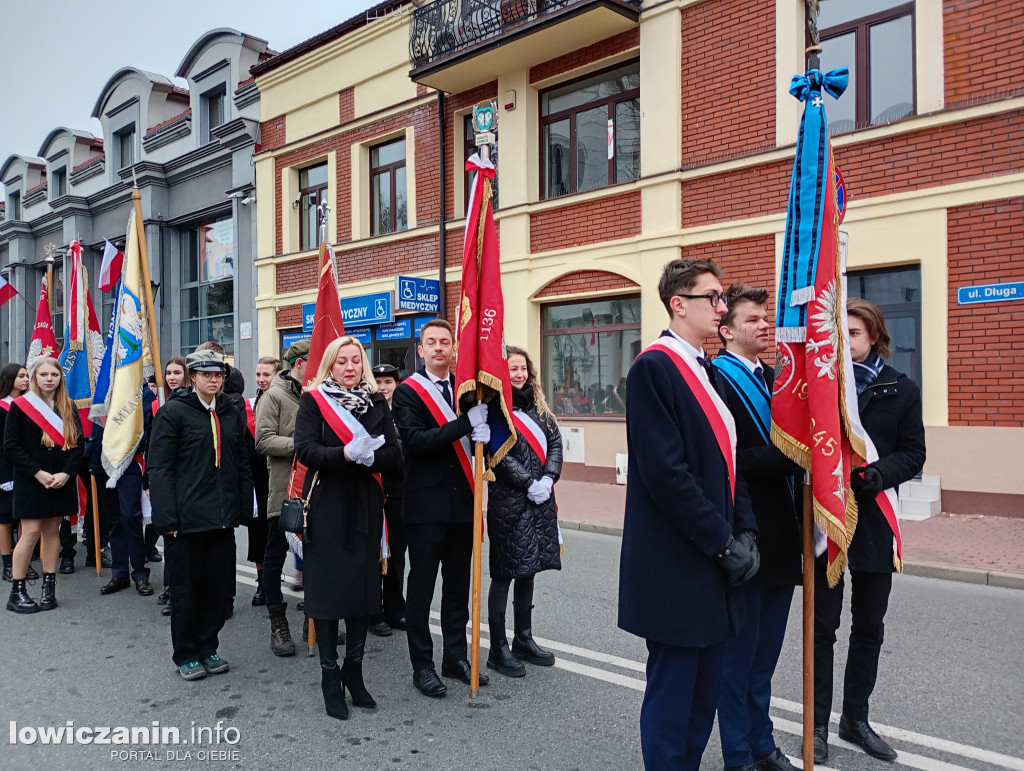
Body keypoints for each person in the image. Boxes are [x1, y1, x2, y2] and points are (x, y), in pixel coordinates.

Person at [618, 259, 759, 770]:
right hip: (678, 560)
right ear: (679, 304)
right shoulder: (653, 367)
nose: (722, 307)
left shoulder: (710, 371)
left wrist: (746, 531)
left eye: (722, 299)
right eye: (713, 298)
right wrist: (723, 540)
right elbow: (665, 474)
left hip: (714, 559)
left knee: (704, 698)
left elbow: (731, 463)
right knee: (674, 695)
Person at [813, 298, 926, 763]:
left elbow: (914, 453)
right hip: (830, 520)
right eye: (841, 333)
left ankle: (855, 719)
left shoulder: (900, 388)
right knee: (821, 628)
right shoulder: (822, 388)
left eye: (855, 333)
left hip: (875, 517)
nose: (847, 341)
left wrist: (878, 475)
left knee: (869, 628)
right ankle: (816, 724)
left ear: (875, 336)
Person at [712, 284, 802, 771]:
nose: (764, 326)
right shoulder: (718, 380)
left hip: (784, 537)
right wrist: (790, 457)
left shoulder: (775, 378)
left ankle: (763, 743)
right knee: (738, 661)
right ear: (726, 331)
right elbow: (725, 461)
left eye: (766, 318)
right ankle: (739, 755)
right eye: (753, 320)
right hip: (747, 535)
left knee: (764, 661)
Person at [294, 336, 402, 720]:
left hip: (365, 508)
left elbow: (395, 453)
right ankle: (329, 677)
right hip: (326, 508)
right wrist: (344, 454)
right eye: (343, 361)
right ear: (330, 365)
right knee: (327, 596)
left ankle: (354, 673)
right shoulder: (313, 400)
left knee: (361, 593)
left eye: (357, 360)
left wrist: (371, 457)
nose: (351, 367)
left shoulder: (375, 401)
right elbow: (305, 450)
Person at [391, 319, 491, 698]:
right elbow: (416, 441)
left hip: (462, 504)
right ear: (420, 350)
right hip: (425, 507)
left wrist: (483, 429)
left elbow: (479, 430)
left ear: (453, 349)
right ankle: (422, 665)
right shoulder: (407, 393)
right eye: (430, 342)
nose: (438, 348)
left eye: (444, 342)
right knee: (421, 589)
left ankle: (454, 657)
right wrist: (466, 424)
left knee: (456, 588)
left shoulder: (467, 391)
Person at [148, 350, 253, 680]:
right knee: (187, 590)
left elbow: (241, 461)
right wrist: (167, 518)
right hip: (186, 521)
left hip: (221, 519)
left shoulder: (230, 412)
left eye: (218, 375)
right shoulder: (173, 413)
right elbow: (160, 468)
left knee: (217, 589)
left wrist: (243, 505)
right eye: (206, 375)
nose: (213, 380)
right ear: (193, 377)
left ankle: (209, 645)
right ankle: (187, 652)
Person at [486, 346, 562, 678]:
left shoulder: (542, 411)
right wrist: (529, 482)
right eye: (512, 369)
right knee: (504, 573)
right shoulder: (495, 412)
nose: (518, 374)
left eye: (522, 369)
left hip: (539, 500)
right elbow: (498, 456)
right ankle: (497, 648)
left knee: (528, 568)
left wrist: (548, 477)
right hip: (509, 503)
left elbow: (556, 445)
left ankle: (523, 638)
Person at [4, 357, 85, 614]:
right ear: (35, 378)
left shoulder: (68, 406)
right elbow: (11, 447)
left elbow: (78, 445)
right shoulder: (21, 406)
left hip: (60, 480)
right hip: (32, 480)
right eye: (44, 374)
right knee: (29, 533)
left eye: (54, 374)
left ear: (61, 378)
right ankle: (17, 592)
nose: (49, 379)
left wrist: (66, 474)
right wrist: (38, 473)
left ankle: (49, 589)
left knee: (53, 532)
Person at [255, 339, 308, 657]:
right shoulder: (273, 396)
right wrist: (302, 445)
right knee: (275, 555)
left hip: (315, 489)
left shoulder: (316, 394)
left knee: (315, 557)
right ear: (299, 363)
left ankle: (312, 620)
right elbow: (263, 441)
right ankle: (278, 621)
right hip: (284, 490)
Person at [96, 383, 158, 598]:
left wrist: (126, 446)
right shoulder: (101, 384)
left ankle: (140, 574)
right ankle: (119, 573)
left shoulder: (138, 386)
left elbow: (146, 423)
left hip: (129, 460)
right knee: (113, 520)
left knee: (131, 517)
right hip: (103, 461)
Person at [369, 362, 407, 637]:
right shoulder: (367, 412)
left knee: (395, 556)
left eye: (388, 383)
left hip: (397, 493)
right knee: (372, 556)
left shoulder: (404, 414)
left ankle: (395, 609)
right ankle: (373, 612)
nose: (382, 388)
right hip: (372, 492)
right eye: (378, 382)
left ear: (396, 385)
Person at [154, 356, 187, 616]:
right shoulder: (160, 405)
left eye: (177, 372)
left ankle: (179, 589)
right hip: (163, 477)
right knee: (170, 536)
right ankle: (170, 587)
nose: (172, 377)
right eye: (168, 373)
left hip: (185, 482)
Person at [245, 356, 280, 606]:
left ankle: (285, 580)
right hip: (257, 480)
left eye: (266, 375)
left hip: (279, 479)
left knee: (281, 537)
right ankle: (262, 584)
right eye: (258, 374)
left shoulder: (284, 400)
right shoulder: (248, 406)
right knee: (258, 535)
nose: (261, 379)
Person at [0, 363, 32, 582]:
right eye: (21, 376)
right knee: (5, 519)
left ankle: (22, 561)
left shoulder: (27, 405)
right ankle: (6, 562)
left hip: (25, 468)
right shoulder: (2, 407)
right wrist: (4, 476)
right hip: (5, 469)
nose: (26, 379)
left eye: (27, 376)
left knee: (24, 518)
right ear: (9, 378)